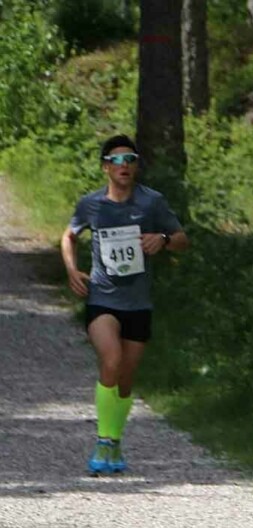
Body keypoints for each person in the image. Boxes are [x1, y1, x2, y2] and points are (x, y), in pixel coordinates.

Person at [60, 134, 188, 475]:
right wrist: (72, 269)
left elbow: (181, 239)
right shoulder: (91, 205)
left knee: (127, 378)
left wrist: (161, 239)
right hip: (102, 298)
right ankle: (102, 439)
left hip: (138, 302)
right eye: (116, 161)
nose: (124, 166)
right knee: (111, 359)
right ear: (105, 167)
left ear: (136, 166)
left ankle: (115, 442)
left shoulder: (152, 203)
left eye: (129, 159)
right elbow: (69, 236)